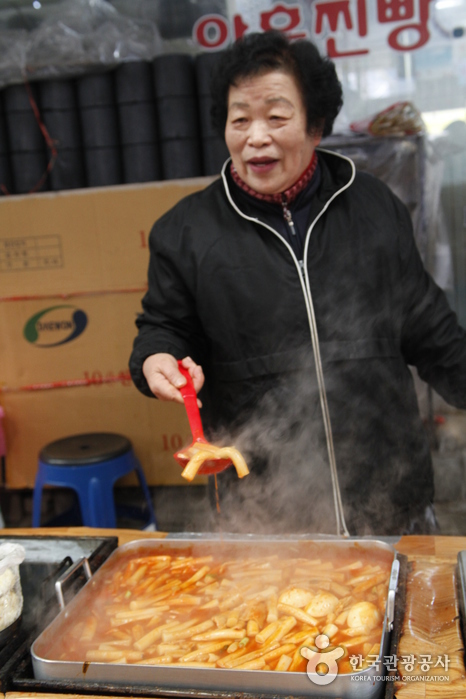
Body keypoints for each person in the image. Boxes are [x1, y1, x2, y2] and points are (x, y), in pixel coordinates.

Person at [129, 31, 466, 536]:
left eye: (277, 116)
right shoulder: (186, 232)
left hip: (389, 494)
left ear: (316, 126)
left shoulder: (371, 206)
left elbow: (430, 329)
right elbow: (165, 329)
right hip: (265, 511)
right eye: (239, 119)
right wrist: (155, 358)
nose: (255, 136)